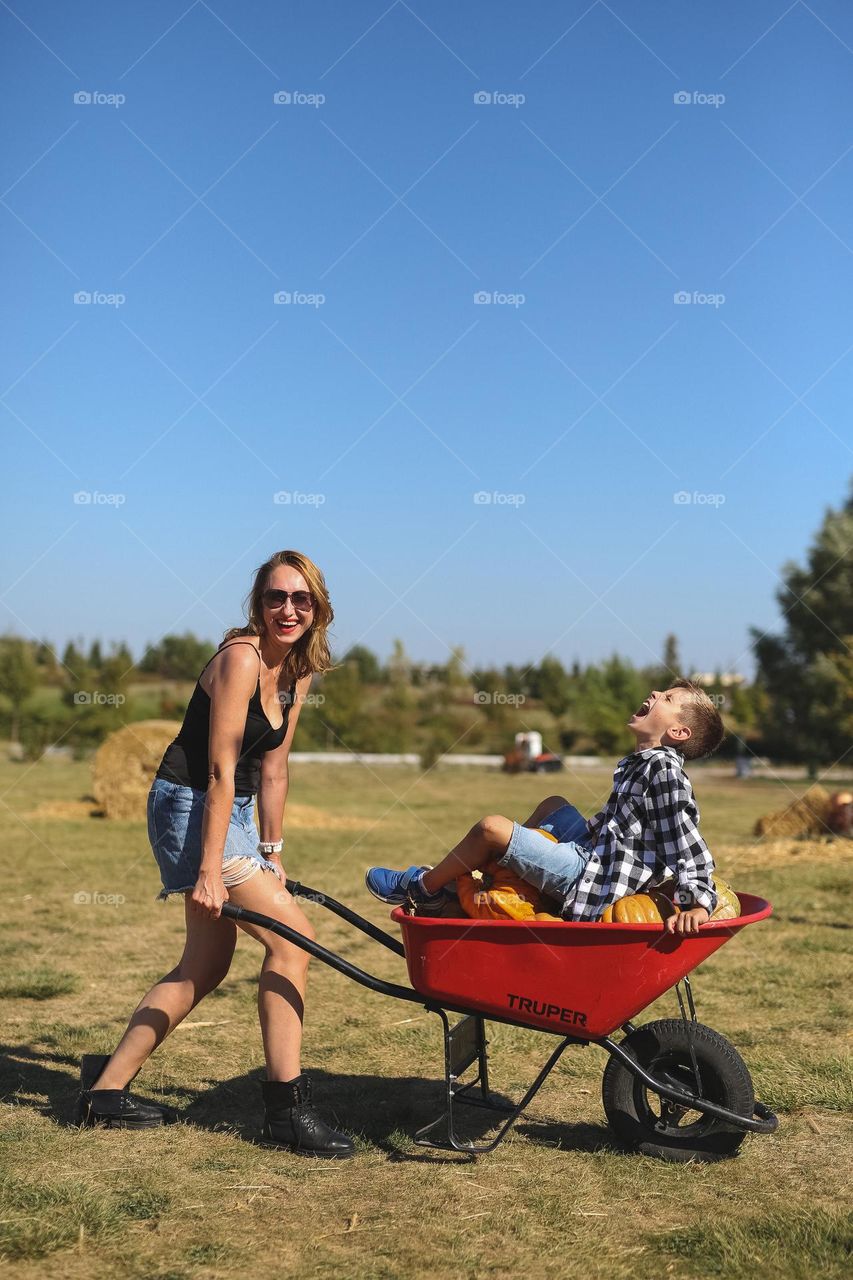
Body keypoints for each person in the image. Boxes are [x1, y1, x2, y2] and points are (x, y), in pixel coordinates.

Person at [78, 550, 354, 1157]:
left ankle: (105, 1091)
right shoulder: (240, 659)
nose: (288, 609)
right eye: (276, 597)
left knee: (203, 966)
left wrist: (272, 851)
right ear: (258, 603)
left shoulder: (298, 670)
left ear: (318, 608)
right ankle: (285, 1111)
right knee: (292, 943)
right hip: (192, 804)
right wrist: (211, 870)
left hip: (238, 811)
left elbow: (275, 768)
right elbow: (219, 771)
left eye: (301, 599)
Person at [366, 681, 724, 934]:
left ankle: (423, 889)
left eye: (668, 698)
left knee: (491, 828)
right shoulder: (642, 763)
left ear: (678, 732)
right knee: (555, 805)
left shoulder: (663, 771)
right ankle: (514, 881)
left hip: (593, 879)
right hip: (595, 853)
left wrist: (697, 902)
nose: (654, 693)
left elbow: (686, 842)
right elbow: (624, 826)